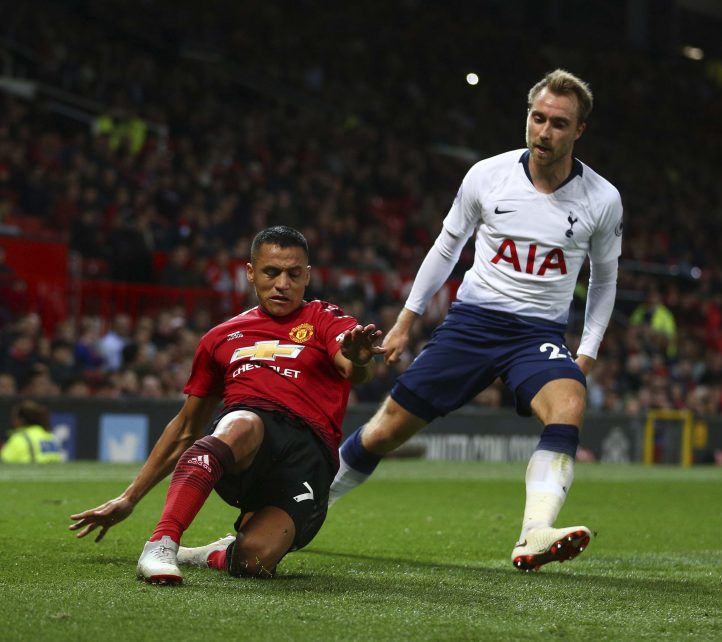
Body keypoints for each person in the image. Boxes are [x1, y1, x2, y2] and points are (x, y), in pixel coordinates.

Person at [329, 69, 624, 572]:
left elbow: (604, 281)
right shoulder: (487, 176)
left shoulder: (602, 199)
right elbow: (447, 248)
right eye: (538, 118)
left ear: (579, 131)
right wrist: (406, 321)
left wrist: (588, 352)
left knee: (569, 402)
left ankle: (534, 533)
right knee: (383, 432)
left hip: (537, 335)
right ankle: (301, 504)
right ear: (527, 118)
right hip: (473, 324)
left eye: (558, 123)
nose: (544, 132)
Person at [69, 226, 384, 584]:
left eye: (294, 274)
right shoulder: (219, 338)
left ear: (307, 276)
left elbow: (353, 368)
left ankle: (217, 552)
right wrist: (130, 498)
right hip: (247, 437)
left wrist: (358, 360)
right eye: (271, 272)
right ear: (250, 272)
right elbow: (187, 426)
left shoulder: (326, 319)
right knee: (243, 422)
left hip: (308, 457)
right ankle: (162, 543)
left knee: (254, 563)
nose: (283, 283)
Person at [1, 399, 64, 464]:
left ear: (21, 420)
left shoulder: (20, 439)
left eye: (15, 418)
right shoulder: (51, 437)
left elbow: (3, 463)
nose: (13, 421)